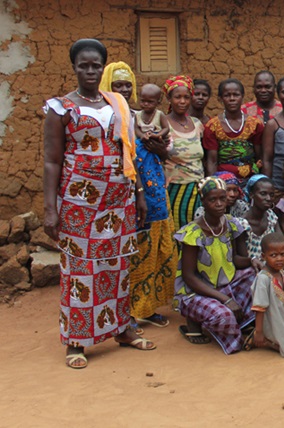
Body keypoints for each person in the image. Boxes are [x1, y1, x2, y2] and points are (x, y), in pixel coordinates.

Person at [44, 39, 155, 369]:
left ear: (102, 69)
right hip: (79, 203)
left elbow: (128, 152)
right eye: (84, 65)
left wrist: (138, 193)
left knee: (118, 265)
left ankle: (121, 328)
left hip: (118, 199)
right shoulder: (61, 108)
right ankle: (77, 339)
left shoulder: (117, 103)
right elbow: (51, 161)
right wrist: (51, 208)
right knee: (81, 268)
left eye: (95, 66)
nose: (89, 71)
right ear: (74, 67)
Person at [100, 62, 175, 332]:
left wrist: (160, 147)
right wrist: (138, 193)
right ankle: (127, 311)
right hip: (127, 194)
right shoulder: (105, 117)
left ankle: (147, 307)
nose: (122, 89)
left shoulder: (136, 115)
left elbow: (163, 152)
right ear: (106, 87)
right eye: (117, 85)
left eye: (126, 85)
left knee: (156, 251)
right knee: (132, 254)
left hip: (156, 191)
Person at [173, 177, 257, 354]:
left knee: (258, 277)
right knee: (223, 316)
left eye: (222, 198)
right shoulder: (193, 233)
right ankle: (198, 320)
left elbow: (235, 260)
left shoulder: (231, 223)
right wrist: (225, 299)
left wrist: (252, 261)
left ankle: (241, 322)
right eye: (212, 200)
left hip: (224, 285)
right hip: (196, 293)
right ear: (203, 202)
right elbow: (189, 277)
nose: (219, 204)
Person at [247, 232, 284, 357]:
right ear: (264, 256)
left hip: (282, 320)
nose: (279, 259)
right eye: (273, 255)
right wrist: (259, 332)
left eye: (283, 254)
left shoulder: (283, 274)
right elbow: (259, 308)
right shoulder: (263, 279)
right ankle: (265, 341)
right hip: (271, 323)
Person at [163, 75, 205, 230]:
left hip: (198, 189)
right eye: (177, 97)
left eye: (186, 97)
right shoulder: (163, 123)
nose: (182, 102)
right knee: (178, 232)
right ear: (169, 99)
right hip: (175, 188)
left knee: (196, 233)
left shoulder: (197, 124)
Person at [203, 78, 265, 180]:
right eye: (227, 95)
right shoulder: (212, 126)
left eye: (236, 95)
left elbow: (260, 157)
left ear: (242, 97)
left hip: (250, 178)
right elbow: (212, 161)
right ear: (220, 99)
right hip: (223, 178)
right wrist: (214, 185)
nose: (232, 99)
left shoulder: (255, 124)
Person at [243, 175, 283, 262]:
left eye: (271, 195)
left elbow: (282, 245)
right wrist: (252, 261)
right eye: (263, 194)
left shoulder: (272, 217)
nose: (268, 198)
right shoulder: (242, 224)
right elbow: (239, 259)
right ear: (251, 195)